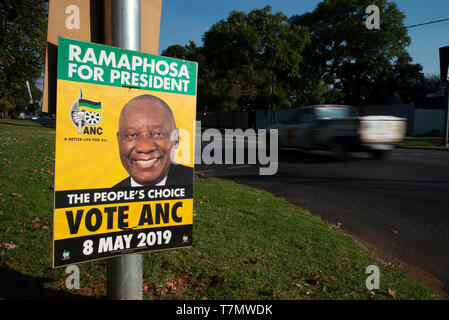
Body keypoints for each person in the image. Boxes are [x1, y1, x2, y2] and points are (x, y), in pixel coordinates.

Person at [114, 94, 192, 187]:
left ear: (176, 138)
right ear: (119, 141)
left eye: (158, 134)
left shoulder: (189, 184)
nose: (145, 147)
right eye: (132, 135)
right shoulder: (107, 198)